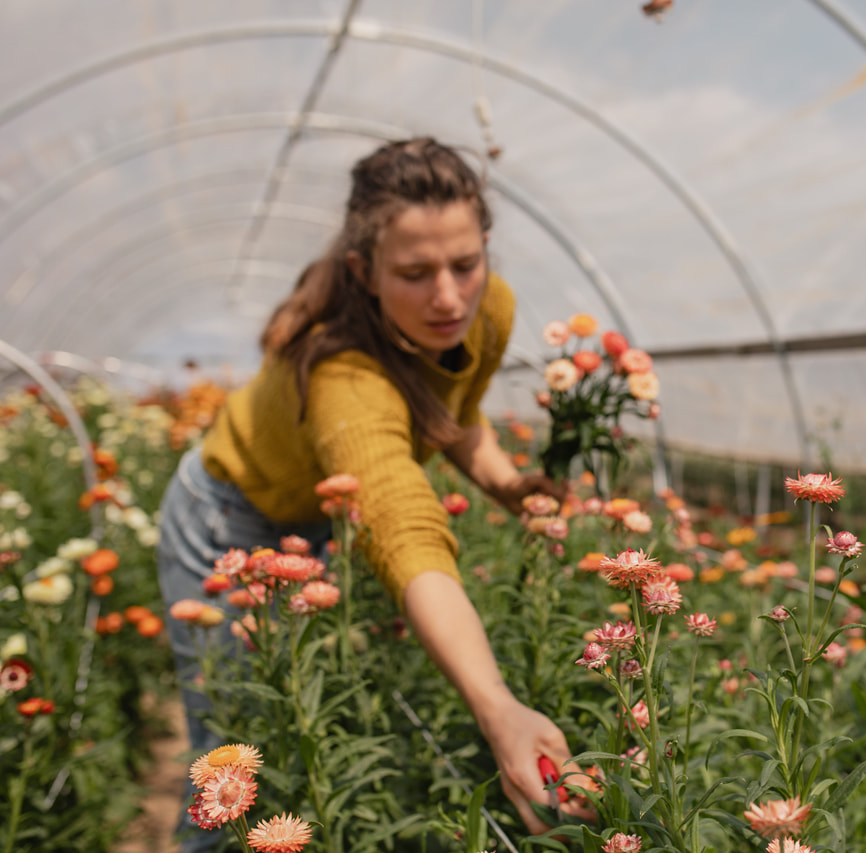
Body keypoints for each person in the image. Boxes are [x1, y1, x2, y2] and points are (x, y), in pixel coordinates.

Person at [156, 137, 589, 850]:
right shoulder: (340, 373)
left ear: (485, 247)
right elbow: (399, 522)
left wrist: (505, 482)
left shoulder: (489, 310)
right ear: (364, 272)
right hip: (225, 520)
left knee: (301, 721)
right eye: (415, 273)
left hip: (309, 527)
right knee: (232, 756)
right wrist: (495, 704)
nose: (448, 296)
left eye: (465, 263)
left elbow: (453, 414)